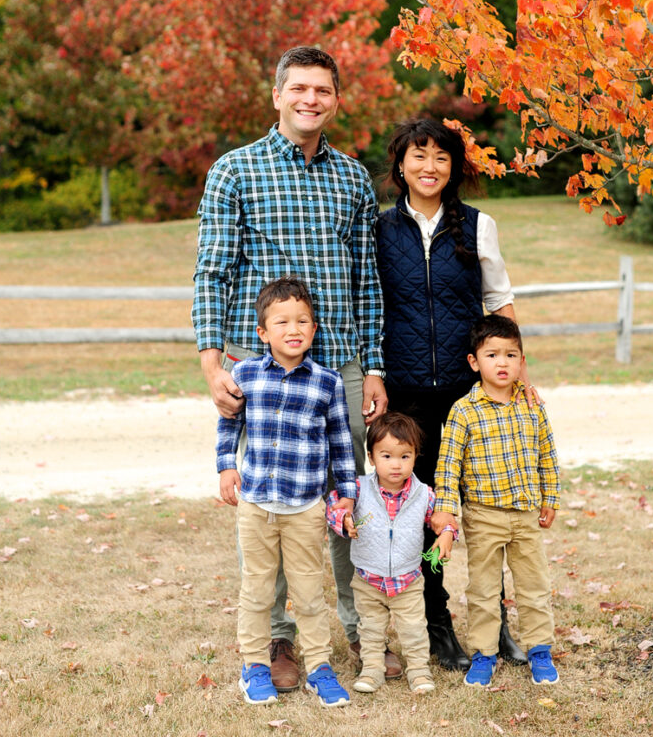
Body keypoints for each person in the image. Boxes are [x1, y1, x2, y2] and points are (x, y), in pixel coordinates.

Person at [193, 45, 394, 691]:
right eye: (299, 88)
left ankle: (358, 626)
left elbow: (368, 281)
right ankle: (278, 640)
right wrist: (210, 362)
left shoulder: (353, 179)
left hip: (338, 361)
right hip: (262, 367)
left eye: (323, 90)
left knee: (341, 500)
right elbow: (213, 271)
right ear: (277, 94)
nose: (311, 100)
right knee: (273, 503)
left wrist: (374, 369)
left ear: (337, 99)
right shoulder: (235, 172)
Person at [375, 117, 534, 670]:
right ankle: (438, 625)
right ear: (400, 164)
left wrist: (518, 374)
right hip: (407, 396)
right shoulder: (379, 230)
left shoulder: (477, 225)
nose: (429, 167)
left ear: (455, 167)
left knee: (488, 513)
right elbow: (373, 308)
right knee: (425, 514)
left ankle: (498, 626)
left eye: (441, 158)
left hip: (471, 397)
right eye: (418, 156)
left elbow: (500, 300)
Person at [217, 277, 356, 706]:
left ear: (314, 329)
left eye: (302, 321)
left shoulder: (327, 383)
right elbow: (228, 425)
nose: (293, 329)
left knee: (310, 592)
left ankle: (318, 667)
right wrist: (225, 466)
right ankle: (255, 666)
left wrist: (347, 491)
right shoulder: (244, 374)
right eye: (281, 322)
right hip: (257, 504)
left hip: (305, 507)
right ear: (263, 333)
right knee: (257, 590)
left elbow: (341, 443)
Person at [432, 316, 560, 688]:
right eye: (492, 355)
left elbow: (547, 453)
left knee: (533, 585)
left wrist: (549, 497)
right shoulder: (464, 411)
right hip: (483, 516)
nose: (502, 363)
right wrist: (445, 508)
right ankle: (484, 654)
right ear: (475, 362)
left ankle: (539, 650)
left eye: (510, 354)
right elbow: (448, 466)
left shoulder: (532, 405)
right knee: (484, 590)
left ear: (522, 360)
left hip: (525, 514)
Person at [327, 412, 455, 694]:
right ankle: (372, 669)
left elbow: (444, 519)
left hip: (407, 579)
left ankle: (419, 671)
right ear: (371, 457)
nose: (396, 465)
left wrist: (447, 534)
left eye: (404, 456)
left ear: (415, 456)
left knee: (413, 629)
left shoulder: (424, 494)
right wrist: (344, 521)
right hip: (368, 578)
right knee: (370, 629)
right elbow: (335, 506)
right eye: (386, 456)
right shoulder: (359, 489)